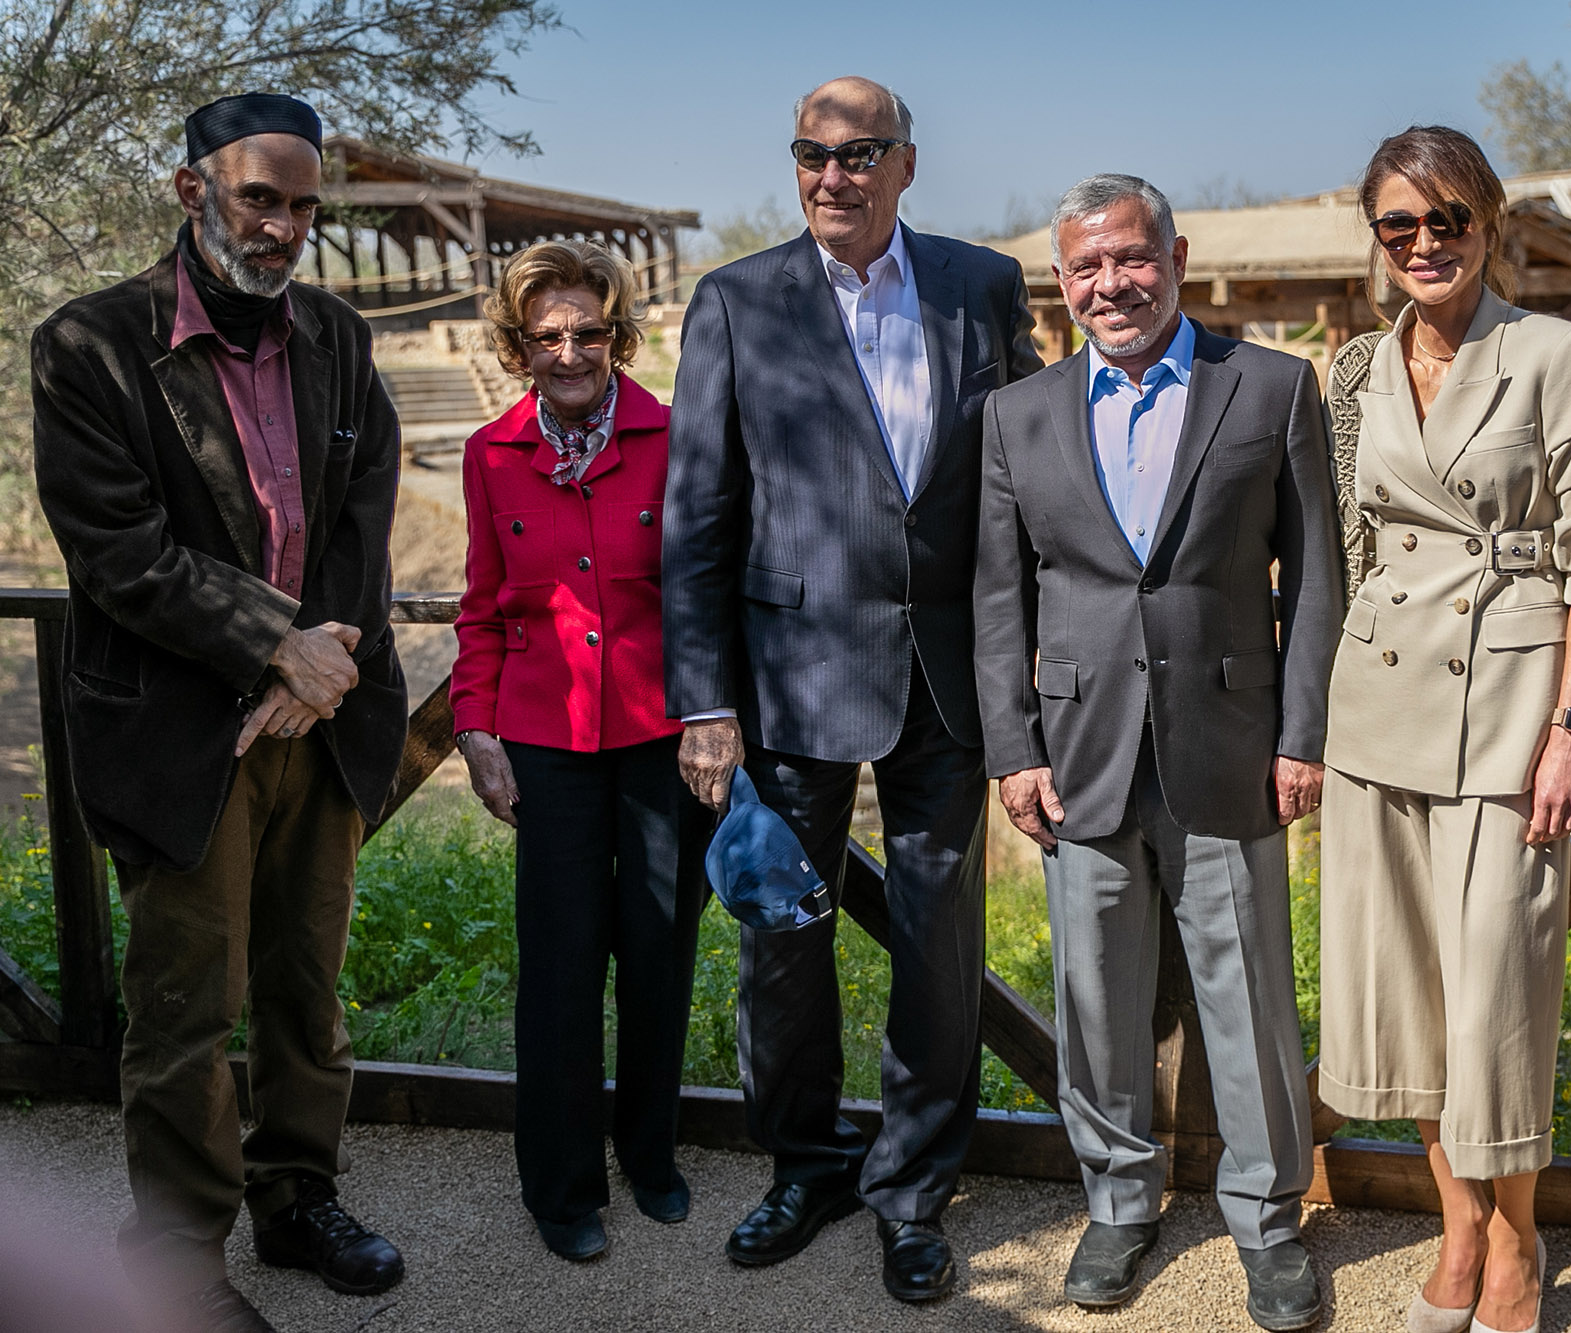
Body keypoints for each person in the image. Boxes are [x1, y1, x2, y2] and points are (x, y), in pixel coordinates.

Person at [659, 76, 1042, 1302]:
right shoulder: (735, 301)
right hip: (787, 678)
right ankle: (807, 1162)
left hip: (949, 675)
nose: (833, 176)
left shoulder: (982, 285)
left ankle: (912, 1189)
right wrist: (704, 700)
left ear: (905, 165)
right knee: (780, 941)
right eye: (812, 154)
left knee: (938, 949)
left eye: (860, 153)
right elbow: (696, 513)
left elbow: (1031, 465)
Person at [30, 93, 408, 1332]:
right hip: (183, 727)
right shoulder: (88, 343)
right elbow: (117, 549)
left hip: (321, 718)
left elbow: (363, 514)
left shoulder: (336, 334)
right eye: (260, 198)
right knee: (187, 1005)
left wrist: (320, 666)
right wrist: (271, 650)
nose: (284, 226)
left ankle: (297, 1199)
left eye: (303, 206)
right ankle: (178, 1256)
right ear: (193, 190)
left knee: (307, 983)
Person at [973, 174, 1338, 1332]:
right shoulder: (1016, 414)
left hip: (1228, 743)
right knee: (1092, 992)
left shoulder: (1269, 387)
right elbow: (998, 597)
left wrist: (1301, 733)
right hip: (1075, 750)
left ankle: (1267, 1219)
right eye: (1084, 267)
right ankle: (1118, 1201)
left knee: (1249, 997)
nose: (1110, 285)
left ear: (1173, 257)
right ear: (1059, 281)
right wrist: (1011, 747)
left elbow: (1314, 577)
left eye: (1130, 258)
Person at [1318, 126, 1571, 1333]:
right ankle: (1456, 1227)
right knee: (1404, 986)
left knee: (1497, 987)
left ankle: (1515, 1241)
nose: (1423, 243)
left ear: (1486, 223)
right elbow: (1342, 540)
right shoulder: (1355, 368)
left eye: (1445, 218)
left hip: (1508, 708)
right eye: (1397, 224)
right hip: (1374, 704)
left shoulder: (1555, 353)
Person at [448, 239, 711, 1262]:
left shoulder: (674, 436)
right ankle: (560, 1185)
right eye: (546, 336)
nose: (568, 352)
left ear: (618, 338)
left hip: (658, 737)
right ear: (518, 346)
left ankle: (650, 1155)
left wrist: (714, 712)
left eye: (587, 332)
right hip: (543, 740)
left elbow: (704, 588)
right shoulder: (490, 452)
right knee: (558, 968)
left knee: (657, 952)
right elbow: (481, 606)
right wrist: (474, 728)